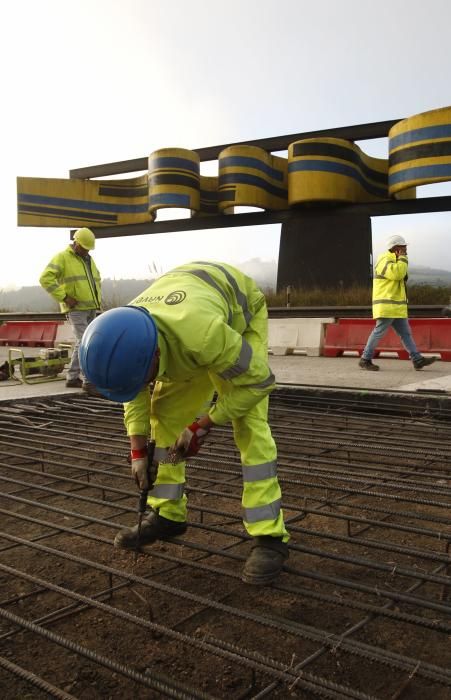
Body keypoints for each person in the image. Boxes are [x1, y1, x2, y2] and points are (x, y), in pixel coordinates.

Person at [79, 261, 290, 585]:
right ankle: (167, 514)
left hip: (237, 320)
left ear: (155, 355)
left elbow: (260, 382)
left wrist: (203, 425)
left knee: (249, 423)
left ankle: (269, 537)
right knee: (162, 416)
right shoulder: (129, 331)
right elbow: (135, 392)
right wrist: (137, 450)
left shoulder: (204, 336)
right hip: (183, 336)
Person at [359, 234, 438, 371]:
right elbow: (397, 274)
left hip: (396, 307)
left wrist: (401, 259)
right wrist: (402, 259)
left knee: (406, 334)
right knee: (379, 332)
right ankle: (365, 359)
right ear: (396, 248)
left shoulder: (395, 260)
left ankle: (417, 359)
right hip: (387, 305)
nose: (406, 249)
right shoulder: (385, 259)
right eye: (404, 246)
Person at [39, 227, 102, 392]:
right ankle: (88, 381)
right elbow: (45, 278)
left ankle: (72, 377)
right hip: (76, 309)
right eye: (84, 248)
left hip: (91, 308)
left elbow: (96, 281)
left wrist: (97, 302)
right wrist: (65, 297)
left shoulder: (88, 259)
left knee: (81, 343)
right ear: (76, 243)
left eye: (88, 249)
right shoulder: (62, 258)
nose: (86, 251)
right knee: (87, 343)